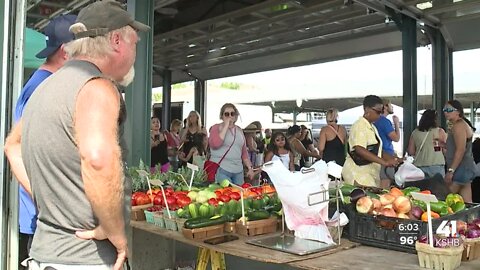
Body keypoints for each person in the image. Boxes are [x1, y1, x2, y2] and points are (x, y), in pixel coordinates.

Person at [4, 1, 149, 269]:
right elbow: (97, 159)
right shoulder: (98, 88)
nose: (135, 52)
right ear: (116, 40)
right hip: (85, 259)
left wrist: (47, 195)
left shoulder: (45, 88)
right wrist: (114, 230)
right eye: (135, 44)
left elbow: (12, 146)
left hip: (45, 253)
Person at [12, 14, 77, 269]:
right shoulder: (44, 88)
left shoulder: (42, 84)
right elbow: (17, 148)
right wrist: (47, 198)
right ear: (65, 51)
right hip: (41, 218)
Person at [342, 95, 399, 187]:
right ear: (367, 109)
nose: (380, 115)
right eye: (378, 112)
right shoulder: (360, 125)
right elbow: (359, 149)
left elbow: (377, 150)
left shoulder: (372, 127)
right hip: (358, 174)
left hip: (369, 173)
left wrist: (393, 159)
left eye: (381, 112)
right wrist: (384, 162)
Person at [208, 103, 255, 185]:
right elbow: (215, 144)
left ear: (235, 116)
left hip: (238, 170)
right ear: (222, 116)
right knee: (224, 194)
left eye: (232, 114)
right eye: (226, 114)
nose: (230, 116)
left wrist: (250, 168)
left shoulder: (239, 130)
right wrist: (226, 125)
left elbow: (244, 152)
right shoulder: (216, 128)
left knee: (239, 195)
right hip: (221, 168)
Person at [443, 100, 476, 203]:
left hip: (461, 168)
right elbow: (457, 147)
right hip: (465, 168)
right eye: (444, 110)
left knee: (445, 200)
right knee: (467, 202)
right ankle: (472, 219)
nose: (446, 112)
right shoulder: (458, 125)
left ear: (458, 112)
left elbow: (461, 150)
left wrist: (450, 171)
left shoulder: (459, 126)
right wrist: (443, 144)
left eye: (449, 110)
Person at [407, 109, 446, 178]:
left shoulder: (415, 132)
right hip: (436, 165)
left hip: (419, 166)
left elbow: (411, 151)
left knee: (422, 188)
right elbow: (445, 150)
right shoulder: (440, 131)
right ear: (434, 120)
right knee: (437, 187)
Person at [374, 99, 401, 188]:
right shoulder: (385, 122)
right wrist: (396, 124)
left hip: (377, 154)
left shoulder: (375, 121)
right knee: (385, 182)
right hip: (387, 155)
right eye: (390, 105)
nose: (392, 107)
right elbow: (396, 138)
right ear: (385, 107)